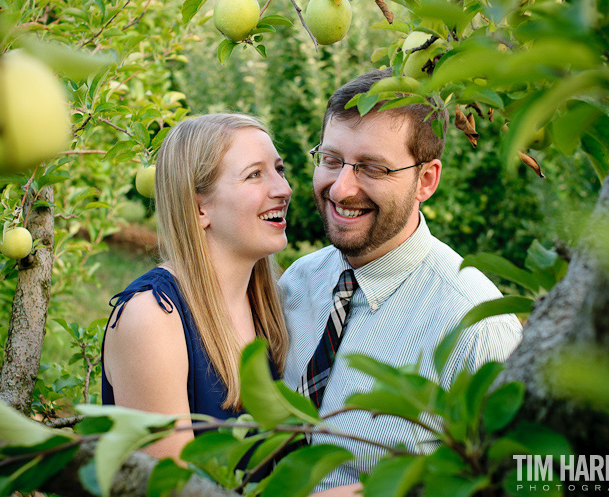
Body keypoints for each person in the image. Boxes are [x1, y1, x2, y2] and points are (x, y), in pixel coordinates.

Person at [279, 68, 523, 495]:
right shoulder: (299, 281)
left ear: (425, 180)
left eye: (372, 168)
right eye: (332, 160)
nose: (340, 188)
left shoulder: (476, 325)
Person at [101, 113, 292, 460]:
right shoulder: (154, 317)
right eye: (254, 175)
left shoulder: (274, 305)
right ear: (199, 207)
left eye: (279, 169)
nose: (283, 189)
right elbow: (172, 486)